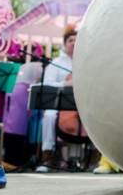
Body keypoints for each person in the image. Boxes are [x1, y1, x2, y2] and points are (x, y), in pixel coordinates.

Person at [36, 30, 76, 172]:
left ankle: (92, 161)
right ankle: (47, 158)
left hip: (78, 106)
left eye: (76, 41)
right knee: (49, 116)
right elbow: (47, 84)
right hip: (58, 105)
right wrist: (65, 84)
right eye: (70, 40)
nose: (74, 43)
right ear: (64, 44)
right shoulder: (56, 63)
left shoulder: (85, 62)